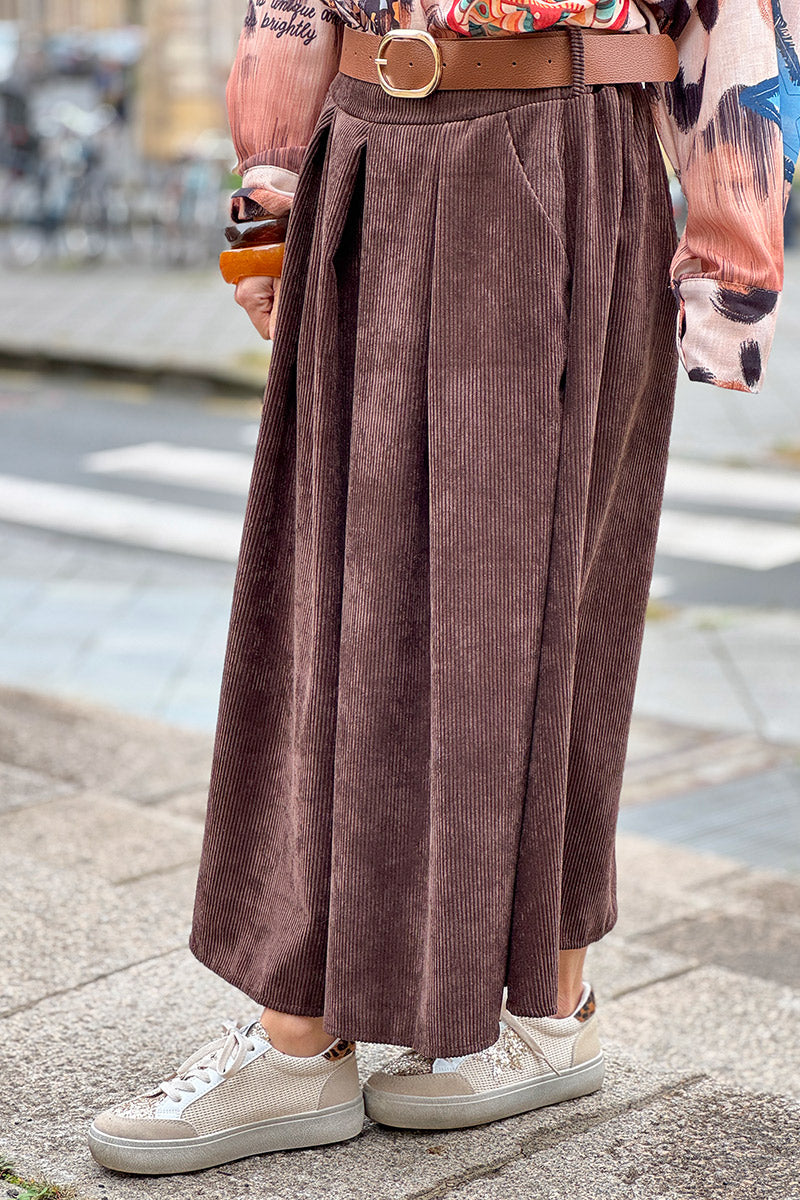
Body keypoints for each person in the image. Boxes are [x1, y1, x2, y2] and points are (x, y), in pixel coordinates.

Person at [88, 0, 800, 1176]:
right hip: (363, 147)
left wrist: (730, 262)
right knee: (326, 586)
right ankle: (298, 1032)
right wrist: (267, 191)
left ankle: (545, 1008)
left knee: (543, 607)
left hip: (561, 145)